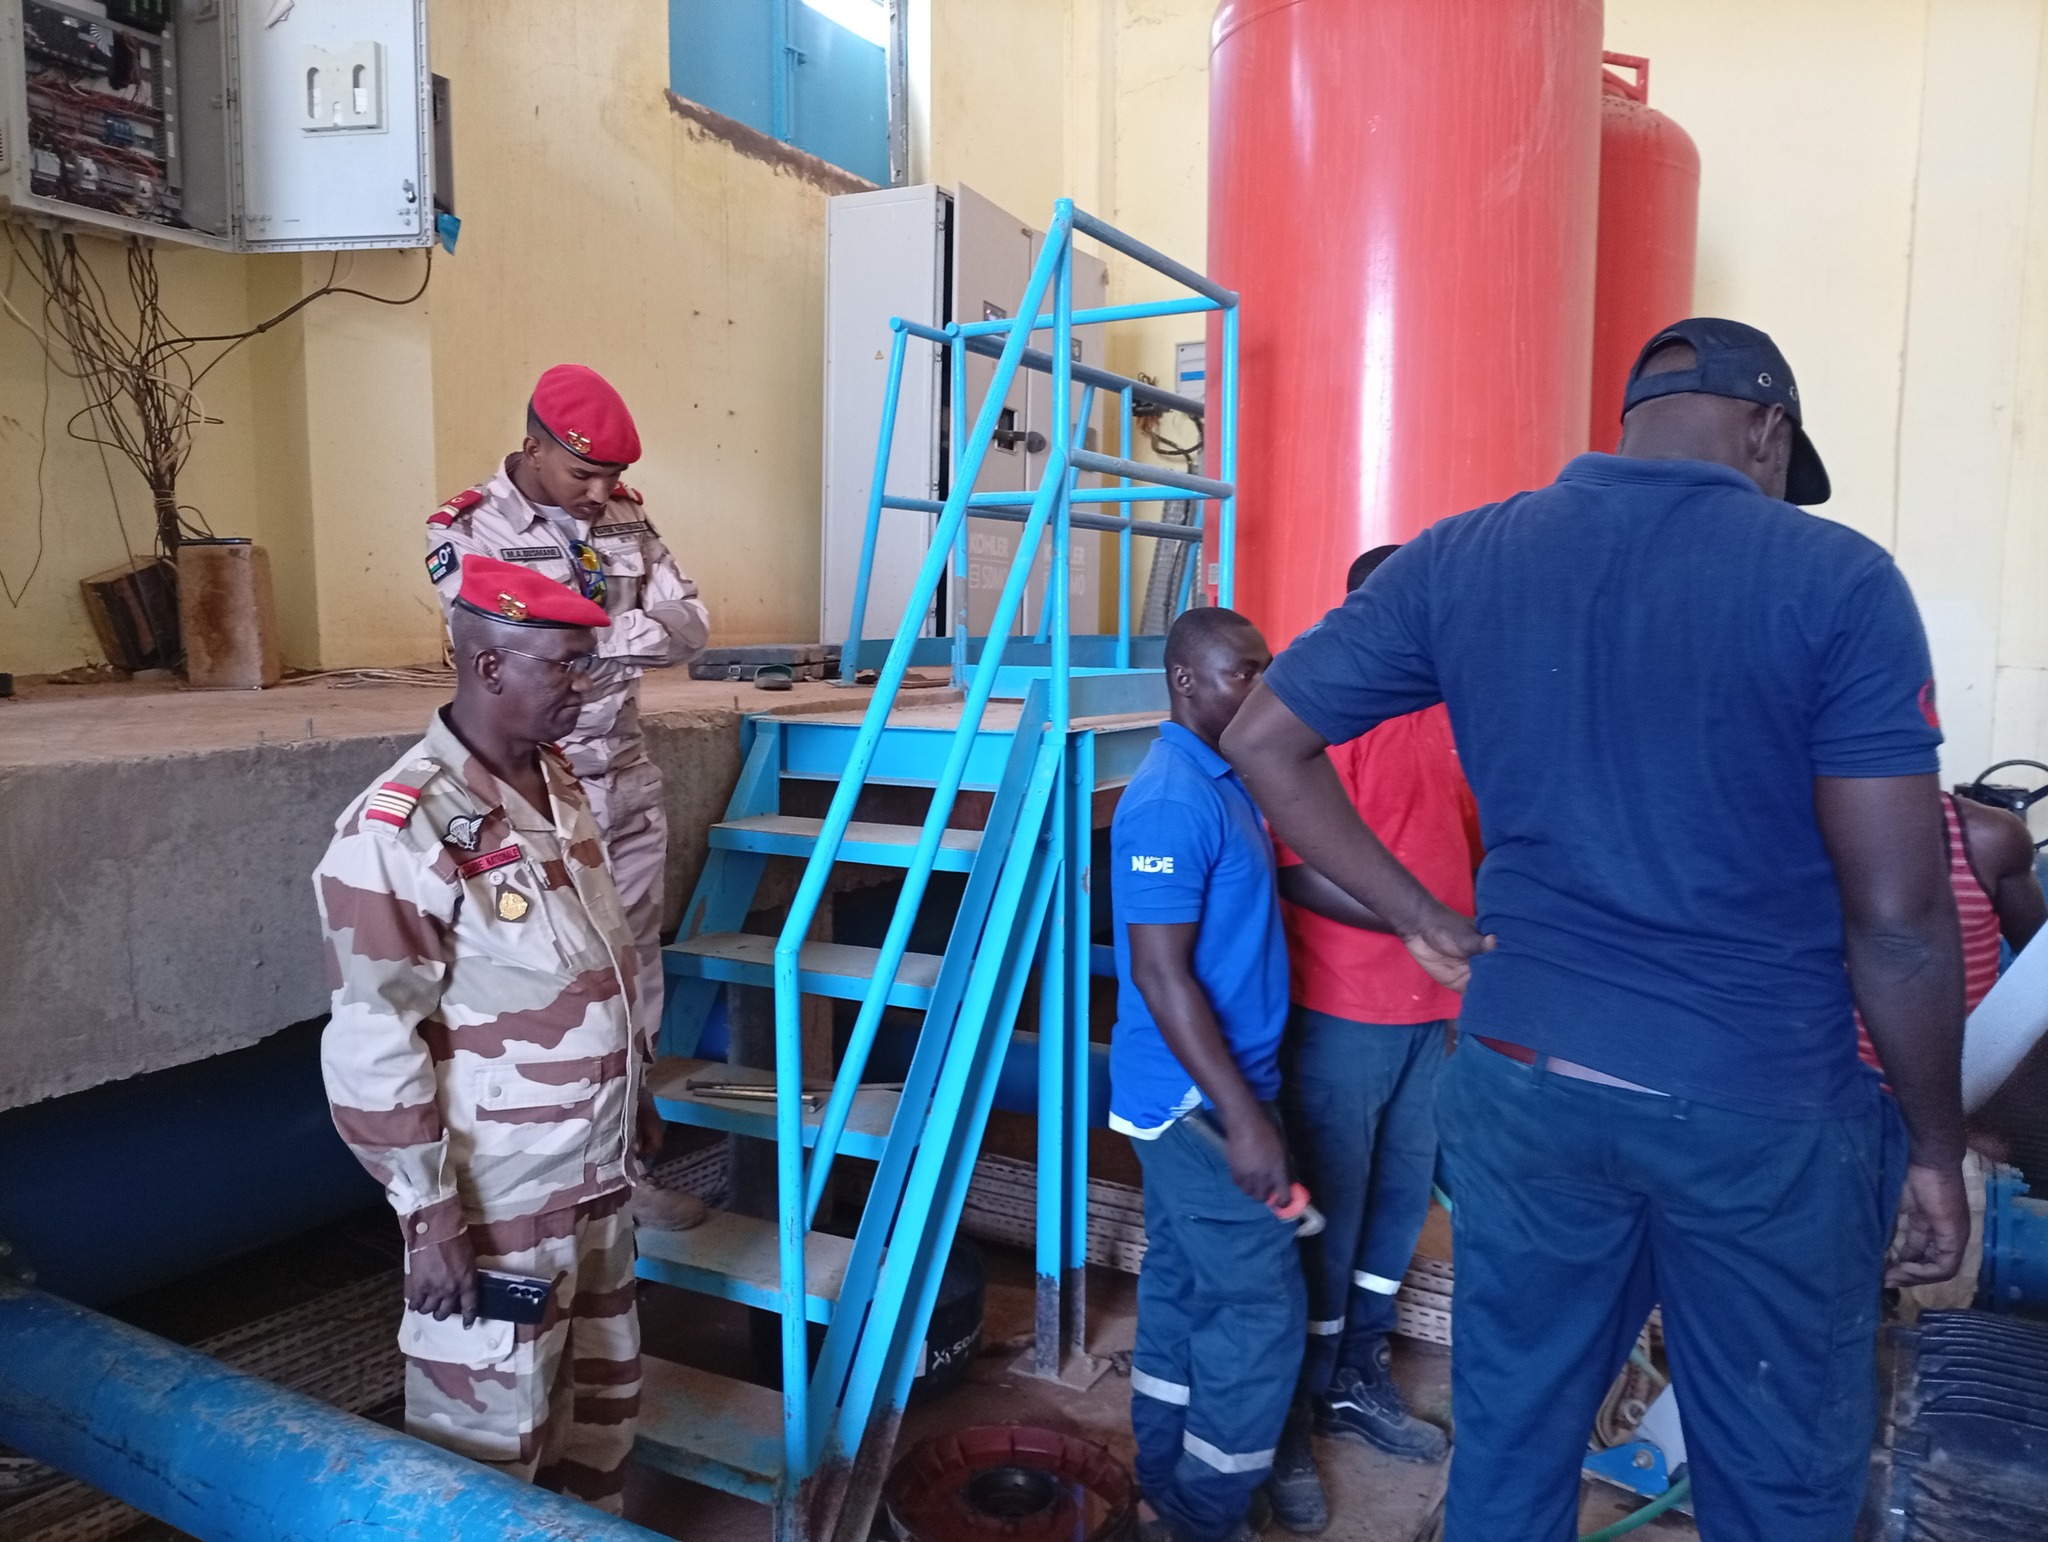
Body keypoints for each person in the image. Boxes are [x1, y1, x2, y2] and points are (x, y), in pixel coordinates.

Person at [1222, 319, 1969, 1542]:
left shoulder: (1464, 554)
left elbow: (1261, 736)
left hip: (1526, 1085)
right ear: (1764, 429)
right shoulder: (1836, 580)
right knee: (1775, 1480)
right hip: (1757, 1109)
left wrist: (1415, 914)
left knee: (1511, 1446)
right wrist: (1933, 1149)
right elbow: (1898, 919)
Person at [316, 556, 658, 1512]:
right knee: (486, 1469)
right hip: (498, 1210)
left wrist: (637, 1089)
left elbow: (597, 958)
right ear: (489, 664)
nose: (584, 686)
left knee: (599, 1430)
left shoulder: (555, 782)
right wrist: (428, 1223)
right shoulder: (400, 827)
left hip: (592, 1183)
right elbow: (372, 1039)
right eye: (565, 666)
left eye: (589, 664)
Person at [424, 365, 710, 1119]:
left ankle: (630, 1132)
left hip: (623, 774)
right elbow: (510, 647)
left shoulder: (625, 515)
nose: (599, 490)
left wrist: (580, 633)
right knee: (544, 965)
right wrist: (626, 631)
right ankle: (557, 1137)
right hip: (532, 790)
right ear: (534, 448)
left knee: (634, 954)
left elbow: (691, 626)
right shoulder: (469, 528)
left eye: (612, 474)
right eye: (584, 473)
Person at [1264, 545, 1477, 1533]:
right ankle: (1290, 1408)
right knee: (1327, 1214)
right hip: (1344, 1010)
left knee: (1395, 1213)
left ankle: (1356, 1374)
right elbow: (1291, 866)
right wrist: (1415, 921)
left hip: (1431, 1017)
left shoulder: (1446, 714)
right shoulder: (1318, 713)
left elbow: (1472, 842)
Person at [1112, 607, 1304, 1542]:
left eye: (1265, 669)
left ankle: (1169, 1483)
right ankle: (1207, 1512)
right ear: (1186, 680)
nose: (1260, 687)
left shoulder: (1222, 779)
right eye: (1243, 672)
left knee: (1186, 1286)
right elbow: (1160, 974)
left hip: (1215, 1090)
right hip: (1197, 1103)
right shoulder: (1170, 800)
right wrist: (1245, 1120)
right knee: (1261, 1306)